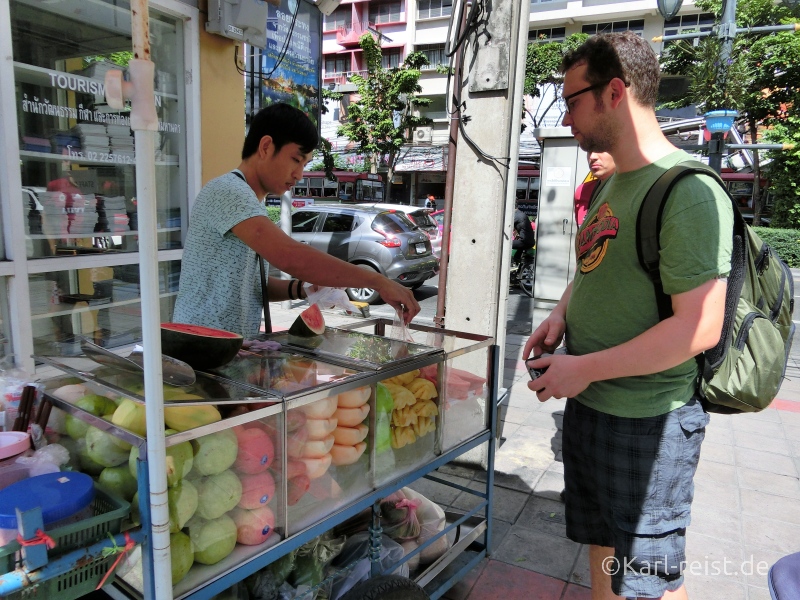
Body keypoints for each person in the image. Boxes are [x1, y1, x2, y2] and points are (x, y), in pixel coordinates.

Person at [523, 32, 733, 600]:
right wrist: (561, 316)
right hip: (592, 407)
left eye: (571, 100)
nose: (565, 117)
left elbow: (699, 328)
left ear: (614, 92)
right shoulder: (613, 182)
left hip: (649, 421)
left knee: (649, 580)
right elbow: (596, 264)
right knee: (601, 547)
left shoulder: (688, 191)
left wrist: (586, 367)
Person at [173, 103, 420, 338]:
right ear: (266, 147)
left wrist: (304, 289)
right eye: (296, 159)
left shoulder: (251, 202)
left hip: (233, 349)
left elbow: (253, 287)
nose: (299, 174)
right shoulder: (228, 191)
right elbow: (290, 256)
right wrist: (377, 281)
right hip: (201, 347)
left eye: (304, 164)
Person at [573, 151, 616, 226]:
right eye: (589, 150)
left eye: (600, 149)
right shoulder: (582, 191)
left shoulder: (636, 190)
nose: (592, 157)